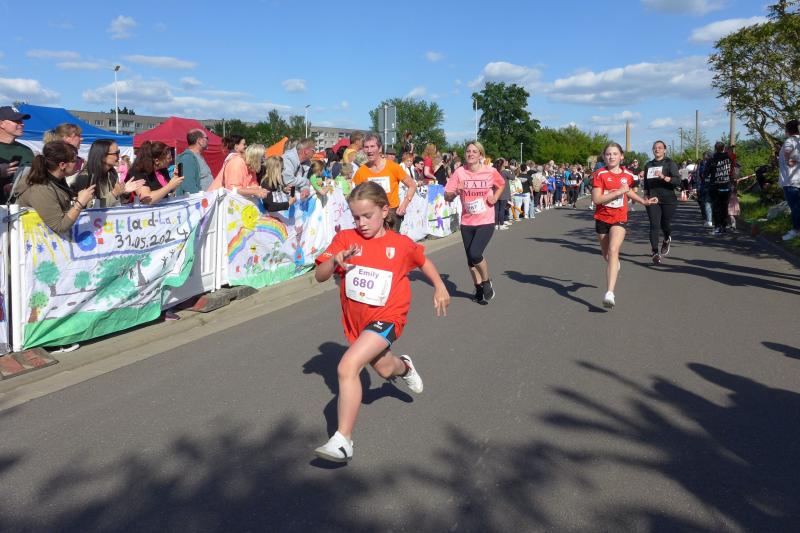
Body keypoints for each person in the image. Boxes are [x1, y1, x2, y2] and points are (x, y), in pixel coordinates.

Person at [312, 181, 450, 462]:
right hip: (357, 320)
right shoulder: (345, 239)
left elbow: (423, 261)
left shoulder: (399, 244)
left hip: (388, 317)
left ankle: (343, 440)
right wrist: (335, 261)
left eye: (367, 216)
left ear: (385, 211)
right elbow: (320, 275)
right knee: (386, 369)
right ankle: (404, 366)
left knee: (347, 365)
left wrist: (439, 286)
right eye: (356, 217)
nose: (361, 223)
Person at [592, 142, 658, 308]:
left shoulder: (628, 174)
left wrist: (643, 201)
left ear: (621, 156)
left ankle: (610, 293)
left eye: (615, 154)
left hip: (619, 217)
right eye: (608, 154)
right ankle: (614, 263)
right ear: (604, 157)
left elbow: (627, 190)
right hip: (602, 218)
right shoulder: (599, 174)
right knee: (607, 256)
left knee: (613, 249)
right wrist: (618, 192)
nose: (611, 157)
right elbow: (597, 199)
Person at [445, 141, 505, 304]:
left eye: (474, 151)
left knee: (475, 253)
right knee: (471, 261)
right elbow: (447, 196)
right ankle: (478, 288)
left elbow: (501, 184)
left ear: (480, 155)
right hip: (467, 222)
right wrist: (456, 191)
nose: (470, 154)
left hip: (486, 220)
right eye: (468, 151)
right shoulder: (459, 172)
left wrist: (495, 197)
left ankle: (486, 282)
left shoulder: (490, 171)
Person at [15, 141, 95, 233]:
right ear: (62, 165)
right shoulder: (40, 188)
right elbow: (59, 226)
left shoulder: (57, 179)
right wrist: (79, 204)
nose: (78, 163)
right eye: (74, 161)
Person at [352, 132, 416, 221]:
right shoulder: (361, 171)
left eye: (372, 146)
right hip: (371, 215)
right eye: (366, 147)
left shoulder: (393, 167)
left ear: (380, 148)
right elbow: (356, 195)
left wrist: (404, 205)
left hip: (392, 213)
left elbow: (412, 185)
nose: (369, 150)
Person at [642, 140, 681, 264]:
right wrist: (646, 196)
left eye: (659, 147)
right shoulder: (648, 165)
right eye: (655, 147)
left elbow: (677, 181)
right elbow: (646, 183)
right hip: (653, 199)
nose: (657, 149)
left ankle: (666, 238)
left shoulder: (670, 163)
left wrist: (664, 177)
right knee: (654, 225)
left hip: (668, 199)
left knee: (665, 224)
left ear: (664, 150)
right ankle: (654, 252)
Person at [79, 139, 143, 207]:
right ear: (103, 156)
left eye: (119, 152)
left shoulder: (112, 173)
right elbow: (90, 207)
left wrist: (124, 192)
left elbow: (116, 202)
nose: (120, 156)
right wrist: (114, 193)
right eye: (116, 153)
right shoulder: (85, 177)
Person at [0, 106, 34, 202]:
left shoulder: (26, 151)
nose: (22, 124)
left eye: (21, 121)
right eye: (17, 121)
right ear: (1, 124)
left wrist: (18, 185)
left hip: (17, 206)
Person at [703, 142, 734, 235]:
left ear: (715, 149)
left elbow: (706, 173)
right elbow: (734, 170)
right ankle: (724, 227)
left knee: (716, 207)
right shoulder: (729, 158)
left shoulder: (712, 159)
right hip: (727, 186)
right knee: (724, 207)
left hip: (715, 186)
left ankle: (717, 227)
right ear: (723, 148)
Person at [779, 119, 800, 241]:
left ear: (787, 130)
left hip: (790, 180)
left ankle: (796, 230)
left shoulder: (790, 140)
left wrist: (788, 161)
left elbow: (787, 150)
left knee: (795, 207)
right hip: (797, 179)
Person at [176, 128, 214, 195]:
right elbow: (188, 186)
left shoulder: (197, 156)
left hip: (207, 198)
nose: (208, 141)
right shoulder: (187, 158)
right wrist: (200, 199)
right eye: (206, 138)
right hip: (199, 200)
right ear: (199, 141)